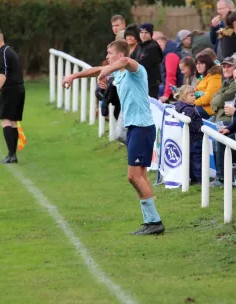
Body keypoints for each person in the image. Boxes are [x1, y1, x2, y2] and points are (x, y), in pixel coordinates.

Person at [63, 40, 165, 235]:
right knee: (140, 176)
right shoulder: (118, 71)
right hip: (136, 128)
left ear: (119, 55)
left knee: (133, 176)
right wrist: (74, 76)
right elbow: (95, 69)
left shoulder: (136, 69)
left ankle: (154, 221)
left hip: (142, 128)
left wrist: (104, 72)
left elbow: (126, 61)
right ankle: (151, 221)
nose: (107, 57)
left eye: (110, 53)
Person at [0, 29, 26, 164]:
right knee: (13, 122)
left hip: (10, 90)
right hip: (19, 89)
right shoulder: (10, 51)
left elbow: (3, 75)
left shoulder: (2, 53)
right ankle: (12, 155)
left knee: (5, 121)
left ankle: (11, 154)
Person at [174, 86, 203, 184]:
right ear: (183, 96)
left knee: (191, 159)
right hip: (195, 138)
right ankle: (199, 180)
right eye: (191, 95)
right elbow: (188, 124)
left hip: (188, 139)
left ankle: (193, 179)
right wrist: (199, 128)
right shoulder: (189, 109)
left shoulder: (179, 107)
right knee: (196, 159)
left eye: (194, 95)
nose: (194, 97)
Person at [154, 32, 183, 103]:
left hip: (176, 89)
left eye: (159, 46)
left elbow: (170, 76)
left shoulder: (170, 55)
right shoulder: (171, 51)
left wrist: (166, 95)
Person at [137, 23, 164, 98]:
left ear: (151, 34)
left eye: (146, 32)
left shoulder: (153, 47)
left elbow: (142, 64)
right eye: (141, 32)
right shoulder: (139, 46)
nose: (143, 35)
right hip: (141, 82)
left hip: (151, 84)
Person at [193, 52, 223, 118]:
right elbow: (195, 91)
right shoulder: (202, 76)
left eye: (202, 63)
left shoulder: (215, 76)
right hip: (199, 105)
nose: (198, 66)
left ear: (208, 64)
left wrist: (193, 102)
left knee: (189, 112)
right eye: (197, 63)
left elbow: (208, 98)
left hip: (208, 110)